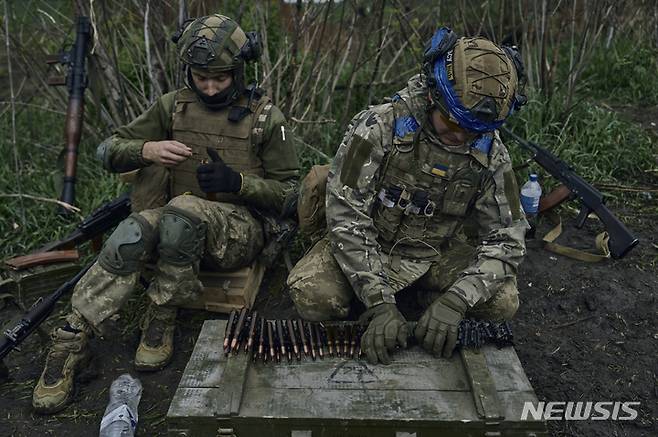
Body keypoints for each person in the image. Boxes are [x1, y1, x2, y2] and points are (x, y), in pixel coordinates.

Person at [32, 14, 299, 413]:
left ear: (239, 71)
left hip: (239, 233)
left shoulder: (265, 119)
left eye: (220, 78)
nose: (209, 87)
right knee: (131, 232)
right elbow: (108, 149)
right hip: (178, 222)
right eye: (200, 77)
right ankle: (72, 337)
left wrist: (238, 183)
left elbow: (293, 195)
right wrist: (147, 150)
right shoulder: (173, 107)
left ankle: (162, 315)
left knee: (182, 211)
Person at [287, 28, 528, 365]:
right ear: (433, 96)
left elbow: (508, 236)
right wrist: (379, 301)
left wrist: (457, 300)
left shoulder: (491, 153)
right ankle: (392, 304)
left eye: (473, 130)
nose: (461, 137)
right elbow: (345, 215)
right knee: (313, 295)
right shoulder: (378, 126)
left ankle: (430, 303)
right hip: (371, 244)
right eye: (452, 124)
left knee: (503, 301)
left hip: (436, 253)